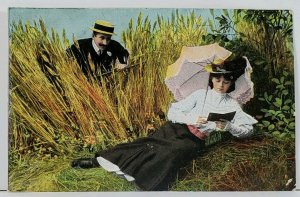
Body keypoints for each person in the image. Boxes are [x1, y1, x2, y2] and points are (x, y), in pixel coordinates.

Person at [71, 56, 257, 191]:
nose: (221, 84)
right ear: (212, 79)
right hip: (176, 128)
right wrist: (192, 119)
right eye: (217, 79)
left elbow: (248, 130)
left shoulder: (233, 105)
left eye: (226, 81)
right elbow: (172, 111)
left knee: (173, 152)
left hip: (193, 140)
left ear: (231, 82)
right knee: (147, 144)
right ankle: (98, 161)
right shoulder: (201, 95)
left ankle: (147, 181)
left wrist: (229, 127)